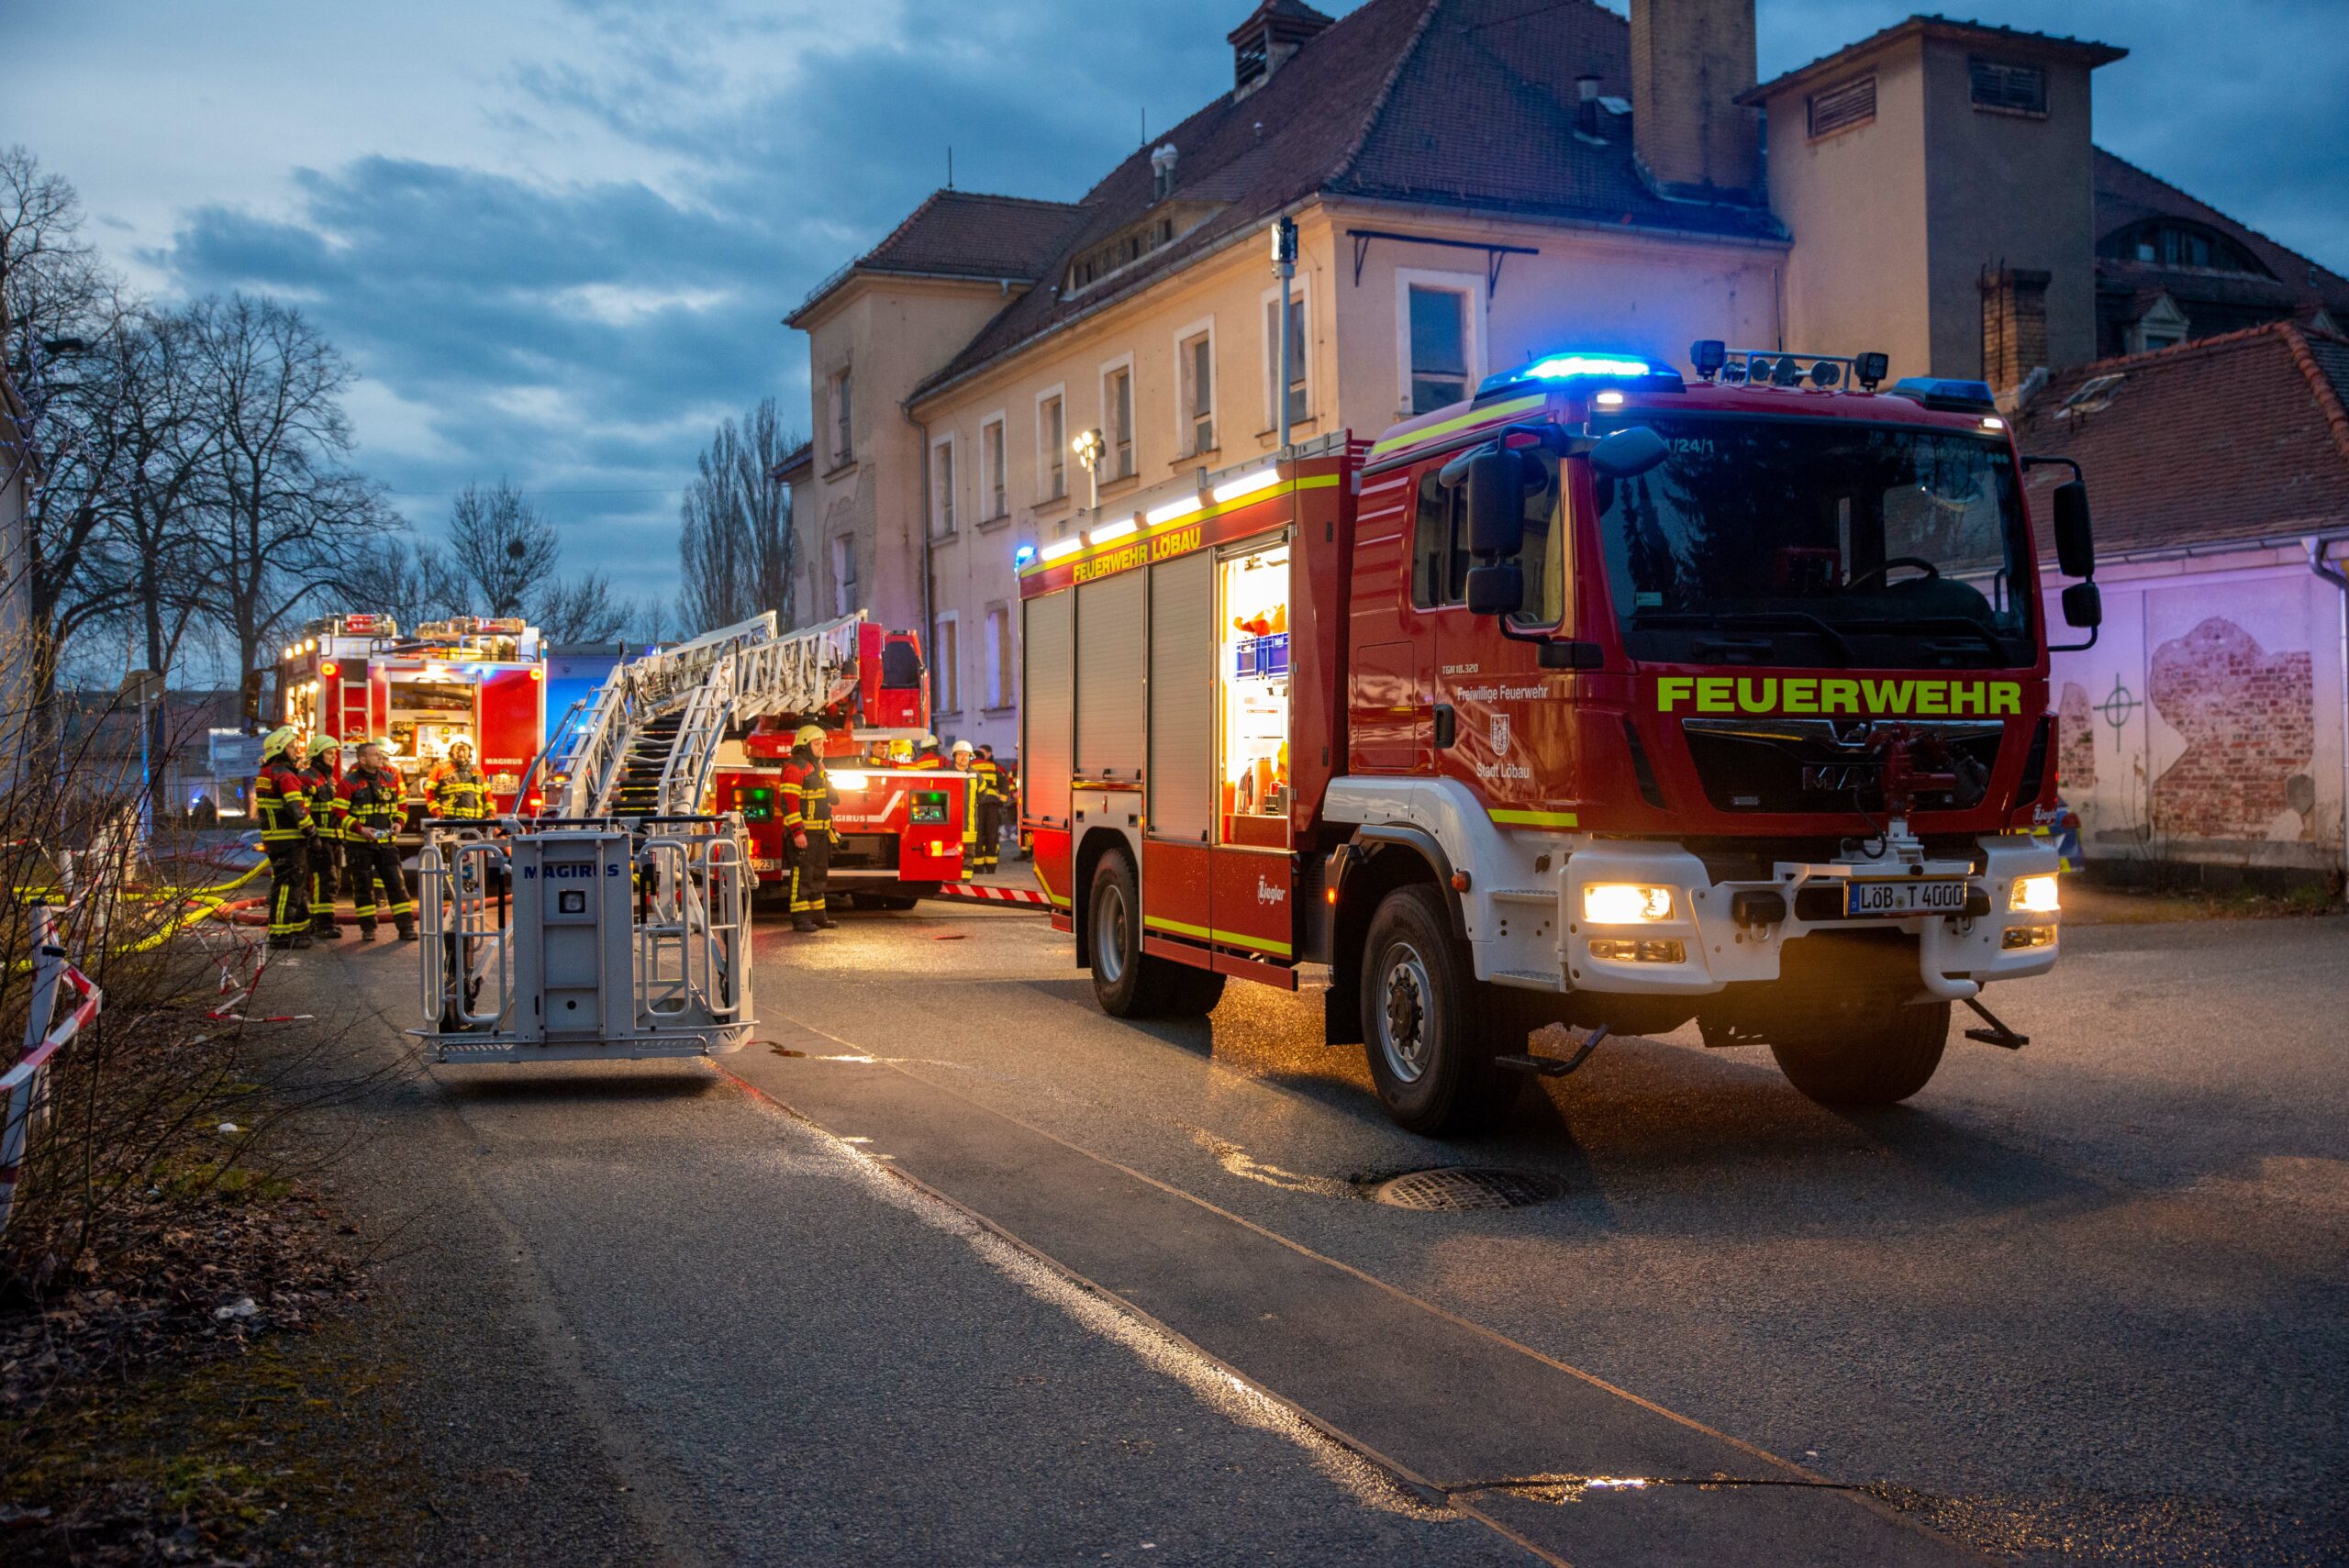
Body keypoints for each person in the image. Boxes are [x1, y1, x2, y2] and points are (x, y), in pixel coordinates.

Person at [335, 740, 417, 942]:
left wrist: (399, 823)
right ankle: (368, 928)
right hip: (359, 844)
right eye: (375, 755)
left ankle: (406, 927)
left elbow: (402, 807)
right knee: (363, 888)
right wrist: (360, 829)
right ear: (363, 760)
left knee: (396, 885)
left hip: (386, 843)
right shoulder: (349, 783)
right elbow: (339, 813)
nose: (380, 757)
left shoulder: (390, 779)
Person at [253, 727, 316, 950]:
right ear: (279, 748)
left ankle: (299, 931)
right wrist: (311, 831)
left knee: (293, 886)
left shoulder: (267, 773)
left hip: (276, 841)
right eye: (291, 746)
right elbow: (295, 808)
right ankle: (280, 935)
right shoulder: (285, 775)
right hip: (290, 841)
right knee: (288, 887)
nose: (295, 751)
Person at [777, 723, 838, 934]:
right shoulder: (795, 768)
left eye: (823, 744)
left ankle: (819, 917)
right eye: (817, 744)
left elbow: (826, 800)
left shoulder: (818, 767)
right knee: (801, 875)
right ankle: (801, 918)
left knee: (817, 875)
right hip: (804, 834)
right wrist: (797, 832)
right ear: (805, 745)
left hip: (820, 833)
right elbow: (789, 802)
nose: (822, 747)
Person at [299, 736, 346, 940]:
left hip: (333, 839)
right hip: (319, 840)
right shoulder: (307, 778)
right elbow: (303, 810)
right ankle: (323, 924)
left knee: (333, 881)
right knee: (323, 881)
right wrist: (312, 836)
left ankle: (324, 921)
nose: (333, 757)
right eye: (329, 753)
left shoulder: (329, 779)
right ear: (317, 754)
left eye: (334, 753)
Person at [427, 739, 491, 822]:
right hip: (449, 822)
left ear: (469, 752)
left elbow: (488, 797)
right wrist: (438, 813)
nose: (461, 753)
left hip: (475, 823)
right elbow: (429, 793)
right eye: (458, 750)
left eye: (464, 750)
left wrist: (490, 815)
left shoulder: (478, 771)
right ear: (452, 751)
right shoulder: (440, 770)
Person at [966, 742, 1005, 873]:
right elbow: (1003, 782)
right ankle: (991, 867)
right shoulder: (992, 766)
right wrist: (1003, 799)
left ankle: (978, 867)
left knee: (978, 834)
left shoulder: (970, 767)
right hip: (993, 803)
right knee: (991, 833)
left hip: (978, 803)